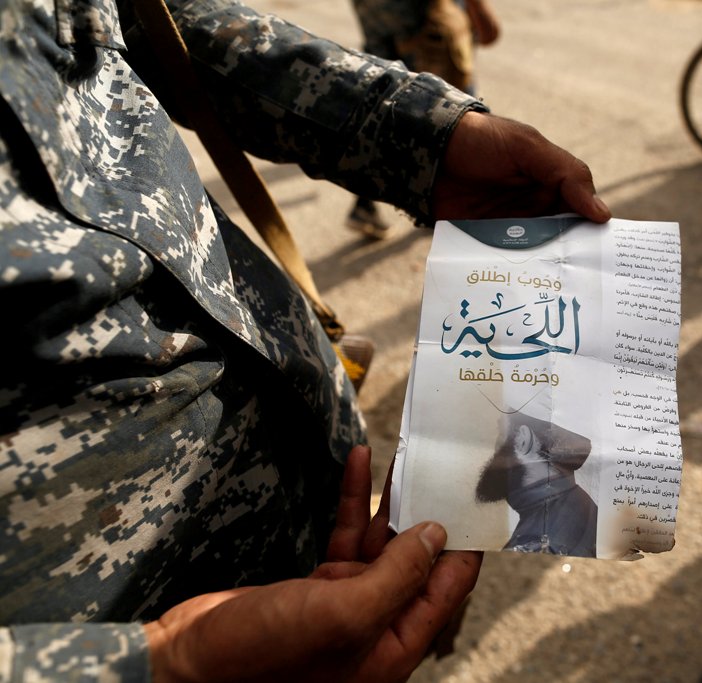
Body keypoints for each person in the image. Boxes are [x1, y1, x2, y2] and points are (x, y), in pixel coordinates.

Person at [0, 0, 611, 679]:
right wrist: (162, 660)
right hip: (129, 618)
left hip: (318, 511)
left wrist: (419, 134)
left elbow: (137, 19)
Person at [346, 0, 501, 238]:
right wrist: (479, 8)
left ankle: (365, 202)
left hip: (373, 10)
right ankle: (462, 205)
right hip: (421, 13)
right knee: (453, 101)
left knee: (384, 97)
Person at [475, 417, 598, 557]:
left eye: (500, 432)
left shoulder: (533, 545)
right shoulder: (582, 505)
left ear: (522, 440)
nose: (493, 448)